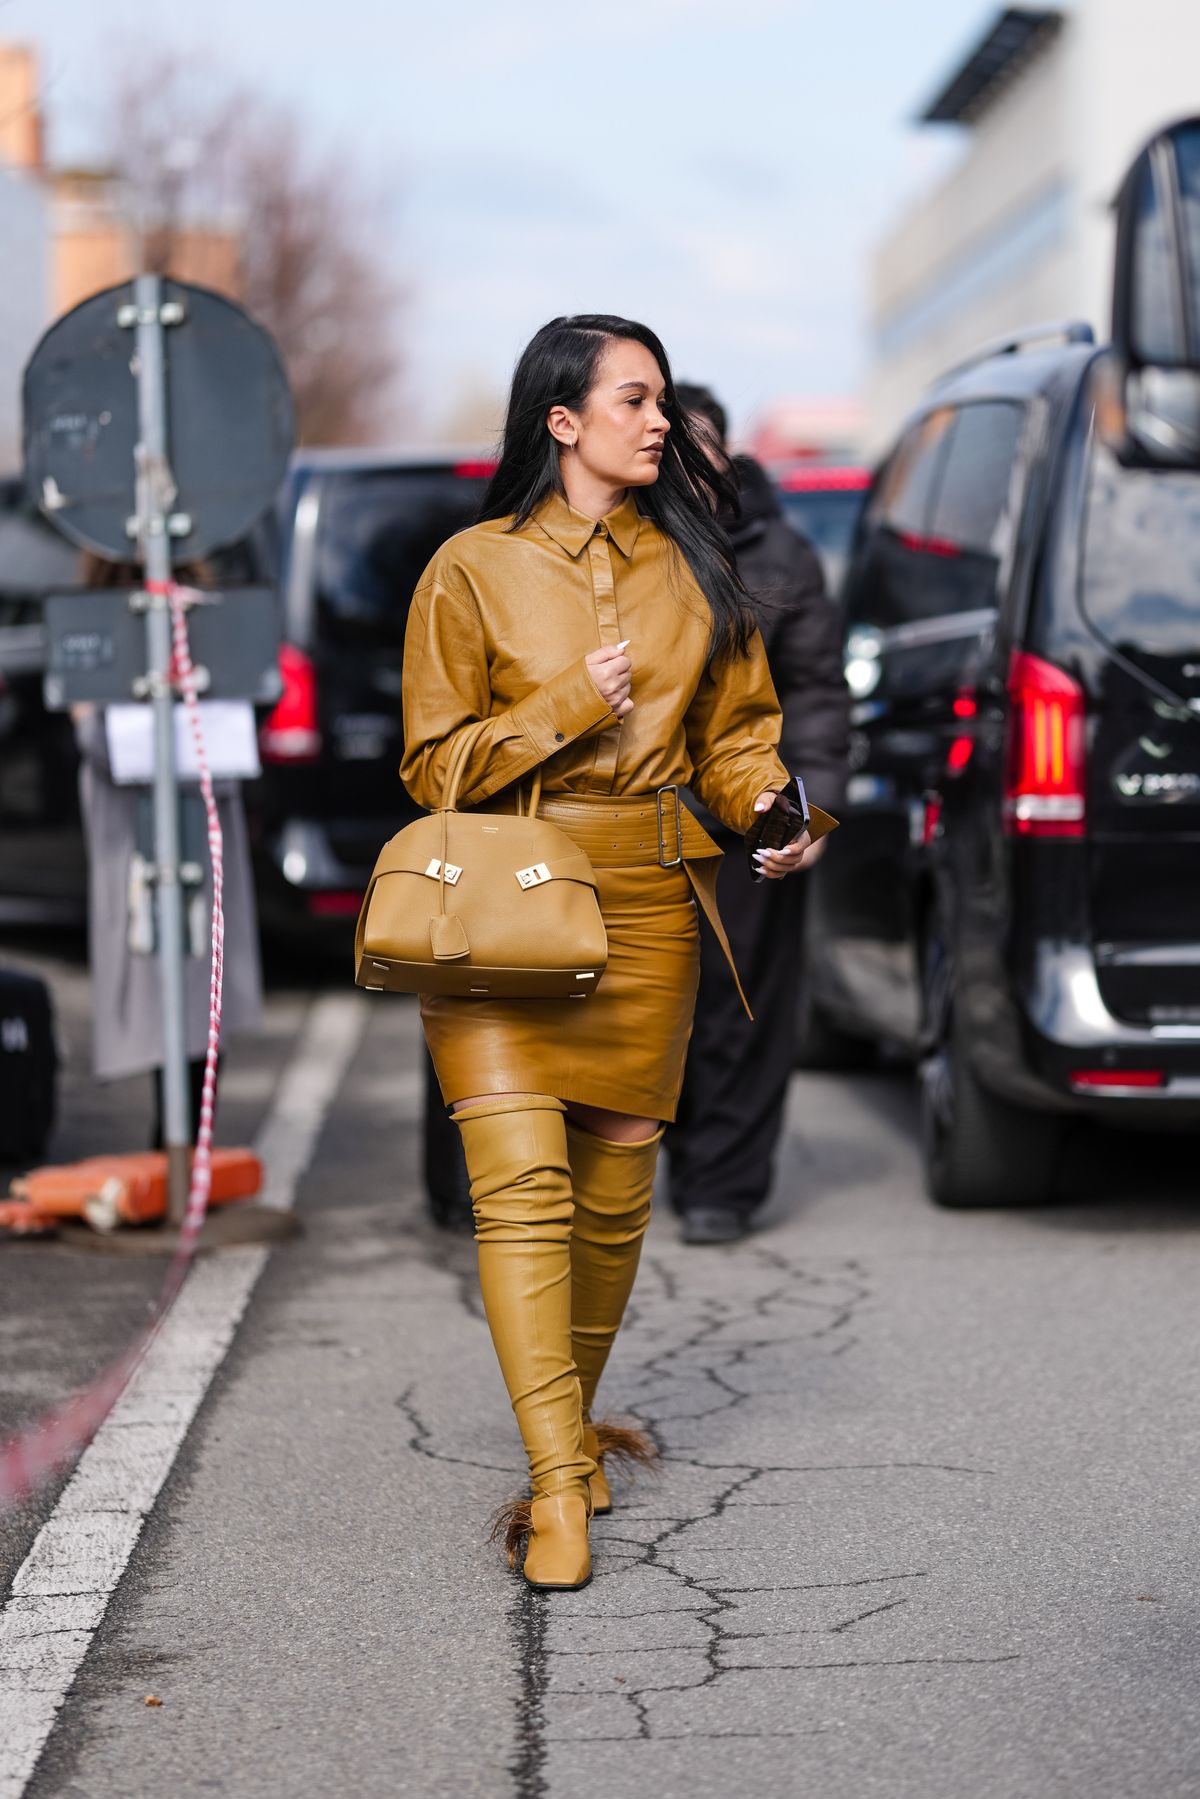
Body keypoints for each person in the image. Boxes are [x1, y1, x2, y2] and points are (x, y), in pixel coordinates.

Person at [400, 315, 813, 1591]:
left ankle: (569, 1422)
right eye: (633, 399)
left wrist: (776, 807)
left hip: (645, 898)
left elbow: (738, 736)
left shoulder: (700, 572)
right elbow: (431, 765)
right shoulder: (468, 568)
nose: (659, 420)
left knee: (616, 1193)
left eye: (663, 398)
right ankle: (561, 1480)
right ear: (562, 421)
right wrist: (572, 700)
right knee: (520, 1188)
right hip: (503, 895)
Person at [666, 385, 850, 1244]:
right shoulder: (619, 544)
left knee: (743, 1006)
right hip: (636, 819)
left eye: (693, 449)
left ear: (724, 457)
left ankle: (724, 1184)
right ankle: (653, 1156)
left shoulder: (781, 555)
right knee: (652, 1006)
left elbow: (816, 696)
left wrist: (809, 815)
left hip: (753, 814)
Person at [73, 555, 262, 1146]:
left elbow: (92, 734)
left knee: (184, 975)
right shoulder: (190, 614)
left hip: (177, 814)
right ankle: (180, 1142)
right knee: (182, 973)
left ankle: (180, 1142)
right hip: (150, 820)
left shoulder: (198, 617)